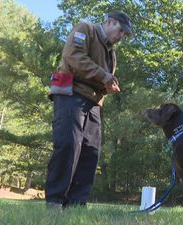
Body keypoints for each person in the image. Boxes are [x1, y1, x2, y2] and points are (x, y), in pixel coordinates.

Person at [45, 11, 132, 209]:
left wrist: (108, 86)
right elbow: (73, 56)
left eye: (124, 35)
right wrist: (104, 76)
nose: (121, 37)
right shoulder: (86, 29)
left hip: (93, 102)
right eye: (120, 31)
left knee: (90, 152)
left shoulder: (112, 54)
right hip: (70, 92)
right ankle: (55, 201)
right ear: (110, 22)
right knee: (68, 144)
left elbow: (102, 78)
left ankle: (76, 204)